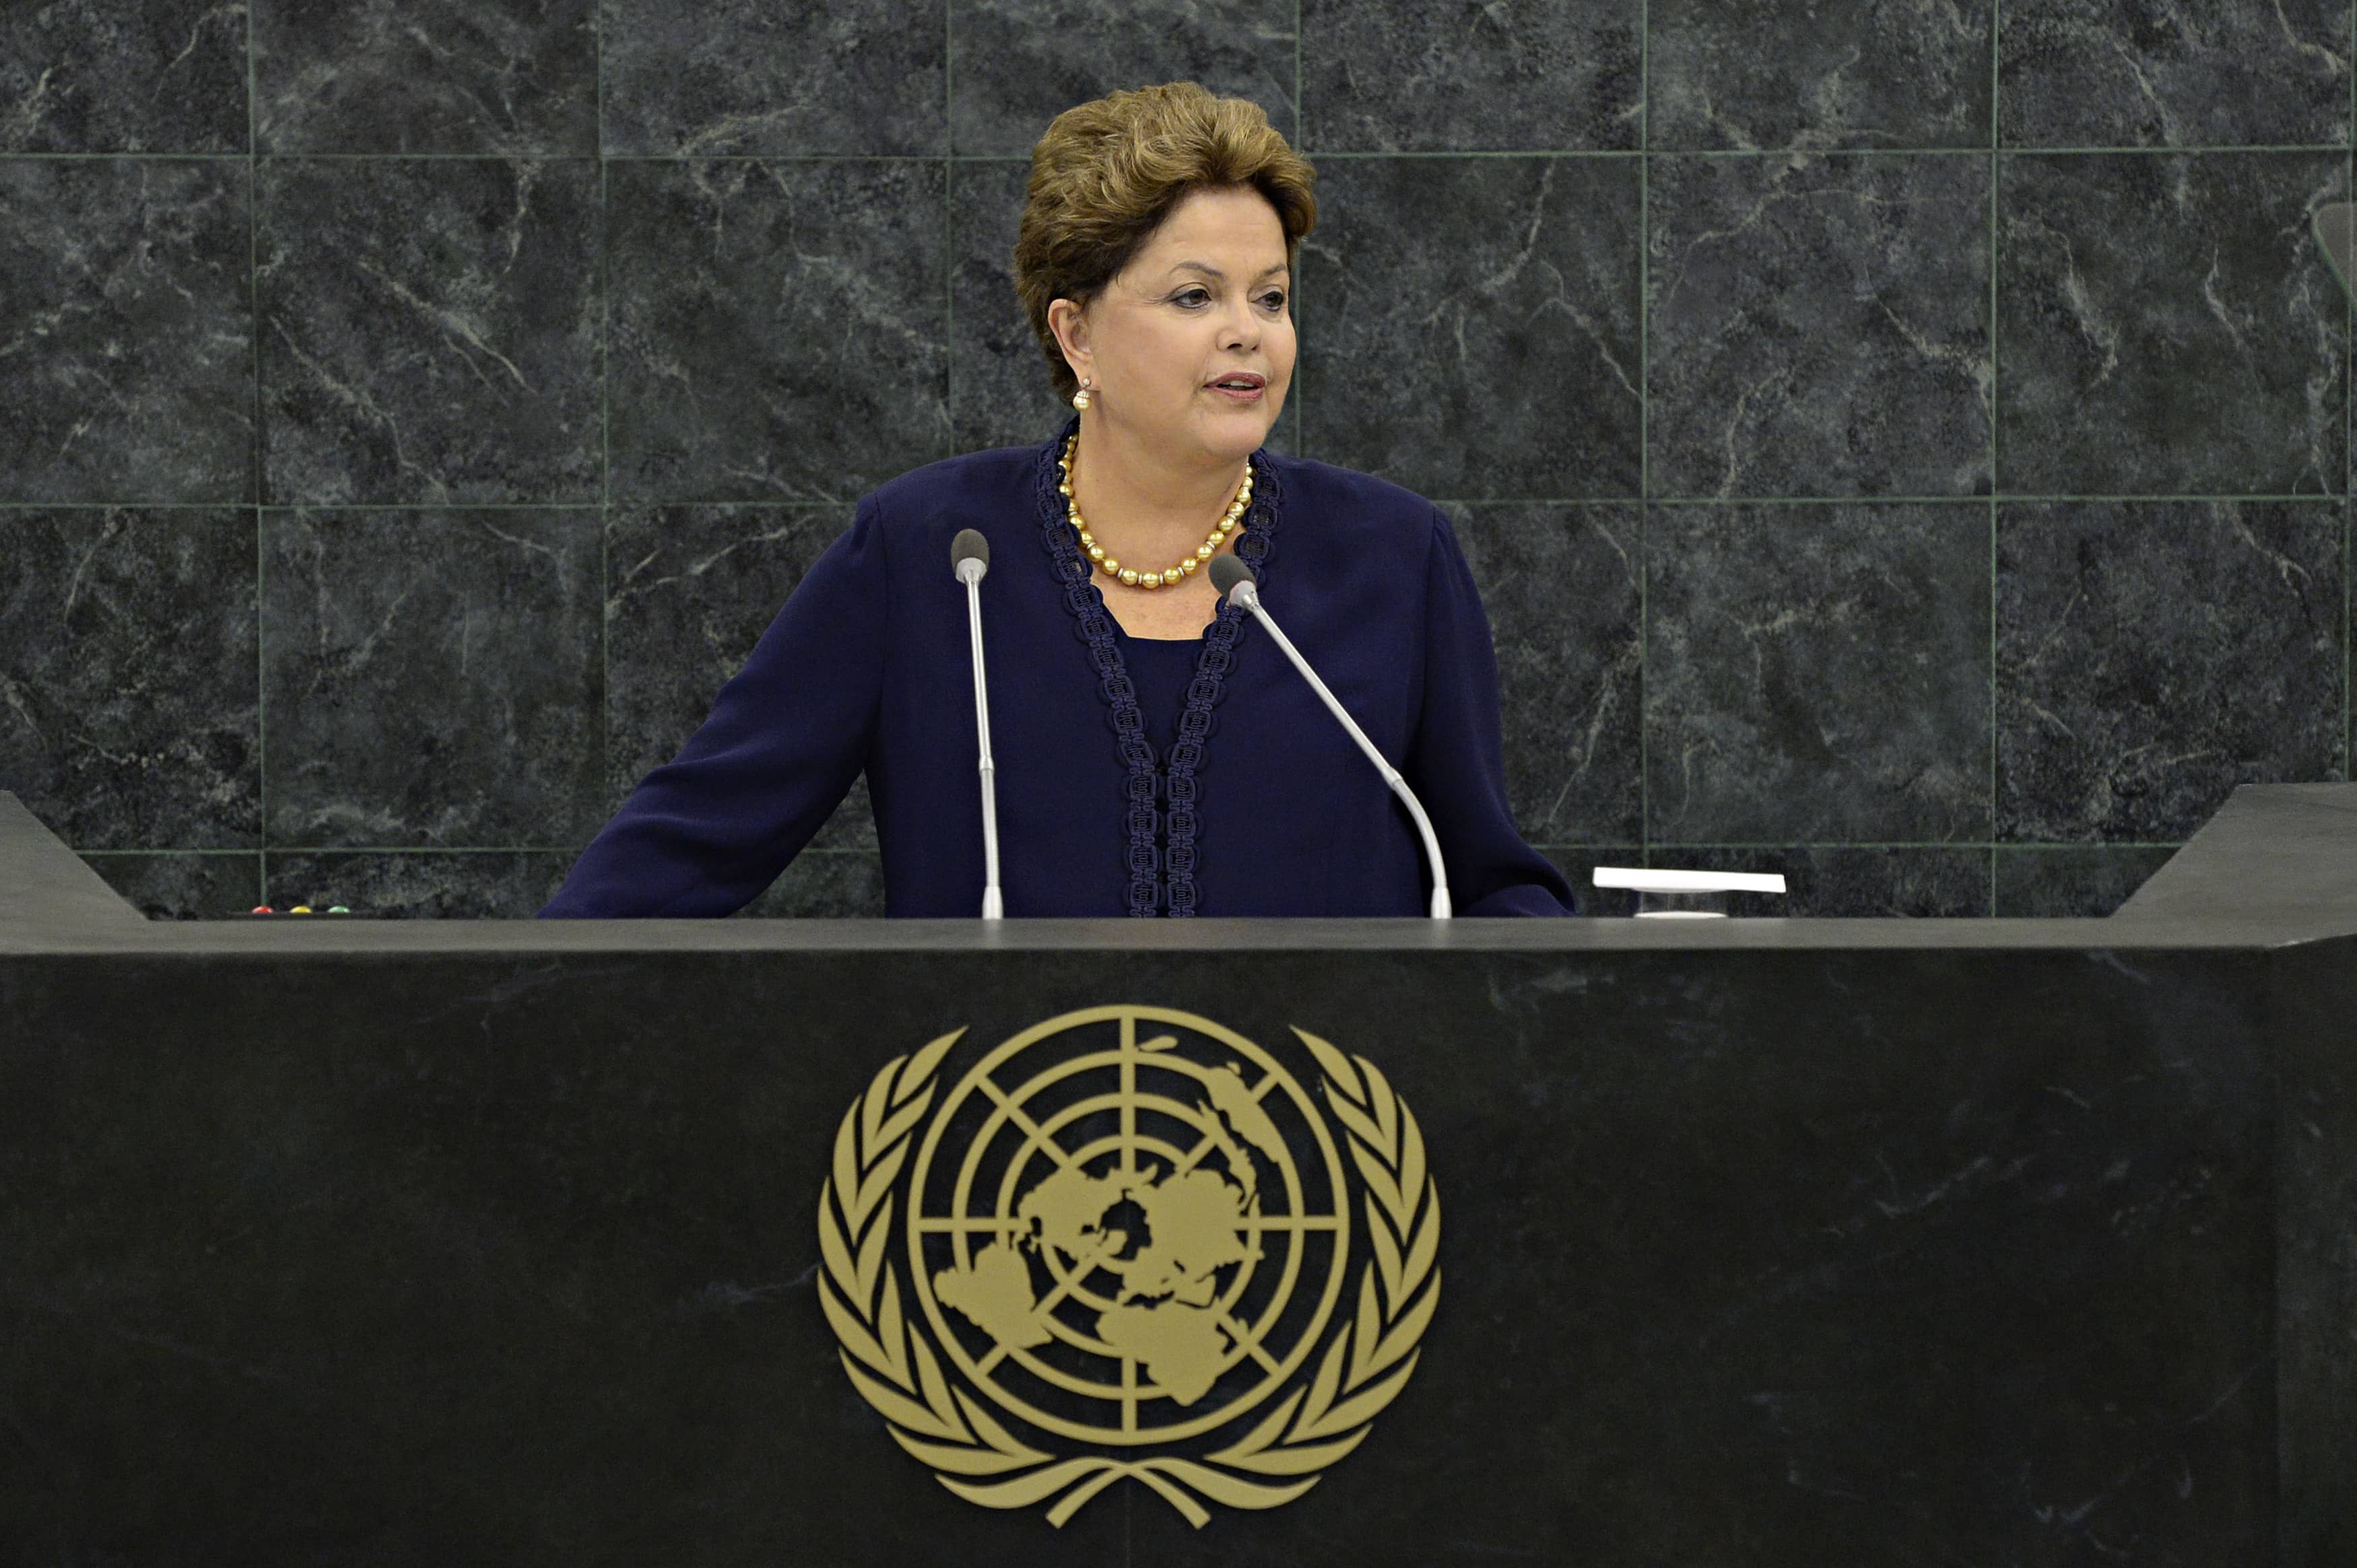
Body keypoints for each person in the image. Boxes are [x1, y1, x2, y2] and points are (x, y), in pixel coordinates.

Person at [540, 82, 1575, 919]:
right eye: (1193, 296)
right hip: (1000, 1162)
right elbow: (691, 842)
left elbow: (1491, 881)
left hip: (1311, 1167)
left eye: (1271, 297)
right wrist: (495, 1006)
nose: (1247, 331)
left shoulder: (1394, 555)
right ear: (1077, 335)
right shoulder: (931, 553)